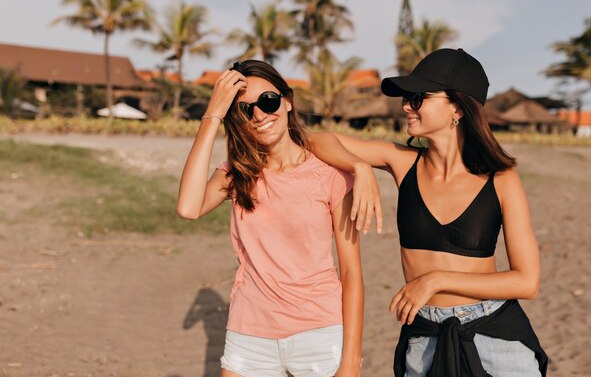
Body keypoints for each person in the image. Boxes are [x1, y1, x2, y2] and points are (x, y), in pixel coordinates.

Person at [310, 48, 548, 377]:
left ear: (457, 108)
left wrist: (434, 281)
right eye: (407, 97)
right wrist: (359, 167)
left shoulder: (501, 180)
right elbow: (317, 139)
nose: (407, 105)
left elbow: (528, 282)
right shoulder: (402, 162)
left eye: (419, 97)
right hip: (425, 339)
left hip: (494, 335)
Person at [176, 60, 363, 377]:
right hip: (249, 333)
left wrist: (350, 361)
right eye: (246, 110)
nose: (260, 115)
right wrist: (213, 115)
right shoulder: (238, 173)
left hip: (319, 334)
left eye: (268, 101)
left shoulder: (330, 174)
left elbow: (352, 274)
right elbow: (188, 208)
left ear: (287, 101)